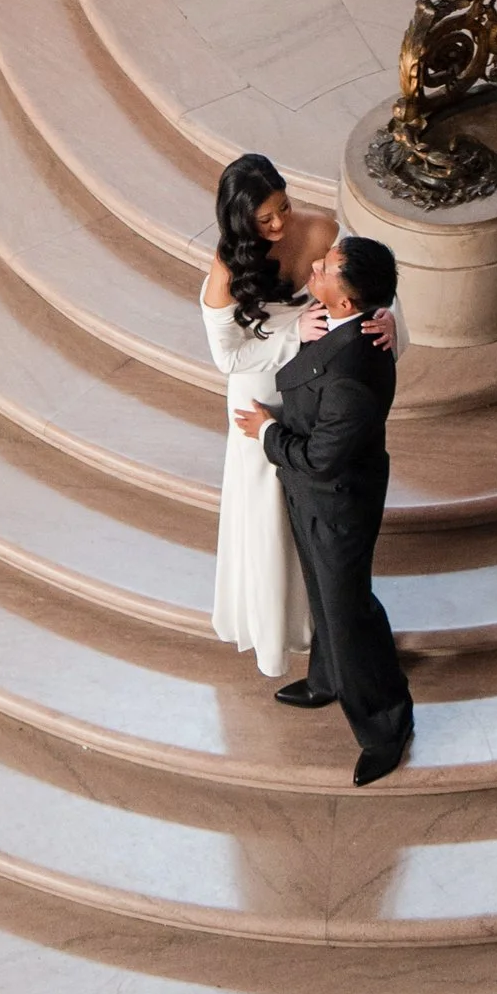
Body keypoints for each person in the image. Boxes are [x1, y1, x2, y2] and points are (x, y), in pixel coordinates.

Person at [198, 156, 394, 682]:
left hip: (320, 393)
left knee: (319, 514)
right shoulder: (227, 267)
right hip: (259, 396)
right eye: (266, 220)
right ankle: (286, 629)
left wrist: (388, 320)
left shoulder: (322, 231)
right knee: (269, 517)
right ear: (240, 222)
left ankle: (332, 627)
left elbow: (364, 279)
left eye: (283, 207)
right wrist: (293, 336)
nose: (281, 224)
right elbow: (229, 357)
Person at [235, 231, 414, 787]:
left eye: (328, 268)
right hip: (316, 499)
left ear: (345, 301)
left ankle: (387, 726)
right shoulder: (346, 319)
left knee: (348, 611)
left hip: (336, 503)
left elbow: (319, 460)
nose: (315, 266)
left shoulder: (354, 376)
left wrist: (266, 431)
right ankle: (328, 676)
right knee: (325, 597)